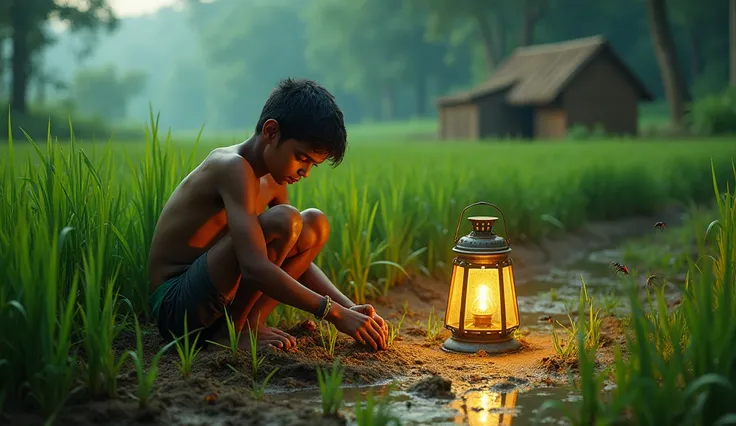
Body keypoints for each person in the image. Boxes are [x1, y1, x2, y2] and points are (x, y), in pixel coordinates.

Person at [147, 78, 388, 352]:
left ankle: (247, 324)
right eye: (302, 157)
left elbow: (289, 256)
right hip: (177, 307)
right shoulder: (232, 168)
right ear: (271, 131)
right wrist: (332, 313)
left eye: (313, 164)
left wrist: (348, 307)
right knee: (286, 220)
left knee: (315, 224)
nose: (305, 172)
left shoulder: (274, 180)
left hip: (215, 293)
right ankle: (230, 332)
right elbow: (254, 267)